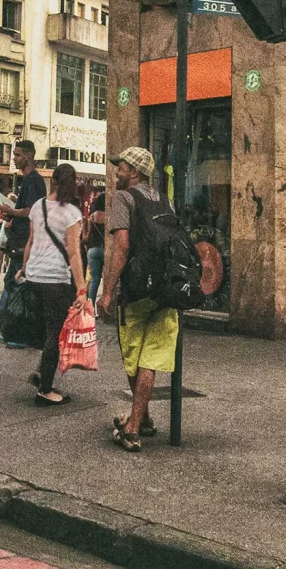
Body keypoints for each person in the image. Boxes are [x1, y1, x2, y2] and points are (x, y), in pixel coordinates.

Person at [99, 147, 178, 453]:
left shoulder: (123, 198)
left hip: (135, 291)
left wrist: (108, 291)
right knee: (152, 357)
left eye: (120, 167)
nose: (116, 172)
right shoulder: (162, 198)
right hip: (164, 290)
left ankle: (132, 429)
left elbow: (121, 247)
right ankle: (141, 418)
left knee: (134, 359)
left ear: (133, 171)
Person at [16, 164, 87, 406]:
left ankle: (40, 373)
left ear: (53, 181)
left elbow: (31, 240)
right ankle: (44, 390)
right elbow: (74, 254)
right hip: (56, 279)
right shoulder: (72, 213)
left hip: (35, 276)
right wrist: (82, 288)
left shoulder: (38, 206)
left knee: (46, 328)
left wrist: (23, 268)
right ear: (74, 182)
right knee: (55, 334)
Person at [0, 141, 47, 330]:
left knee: (16, 279)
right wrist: (11, 213)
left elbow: (30, 211)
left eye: (18, 155)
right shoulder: (27, 180)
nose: (15, 159)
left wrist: (12, 210)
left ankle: (8, 317)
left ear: (29, 155)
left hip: (25, 240)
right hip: (20, 238)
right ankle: (5, 315)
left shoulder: (33, 180)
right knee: (13, 279)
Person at [84, 191, 106, 305]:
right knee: (107, 279)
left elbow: (87, 237)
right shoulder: (109, 217)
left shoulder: (92, 217)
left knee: (94, 279)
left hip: (92, 250)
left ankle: (91, 306)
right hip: (105, 250)